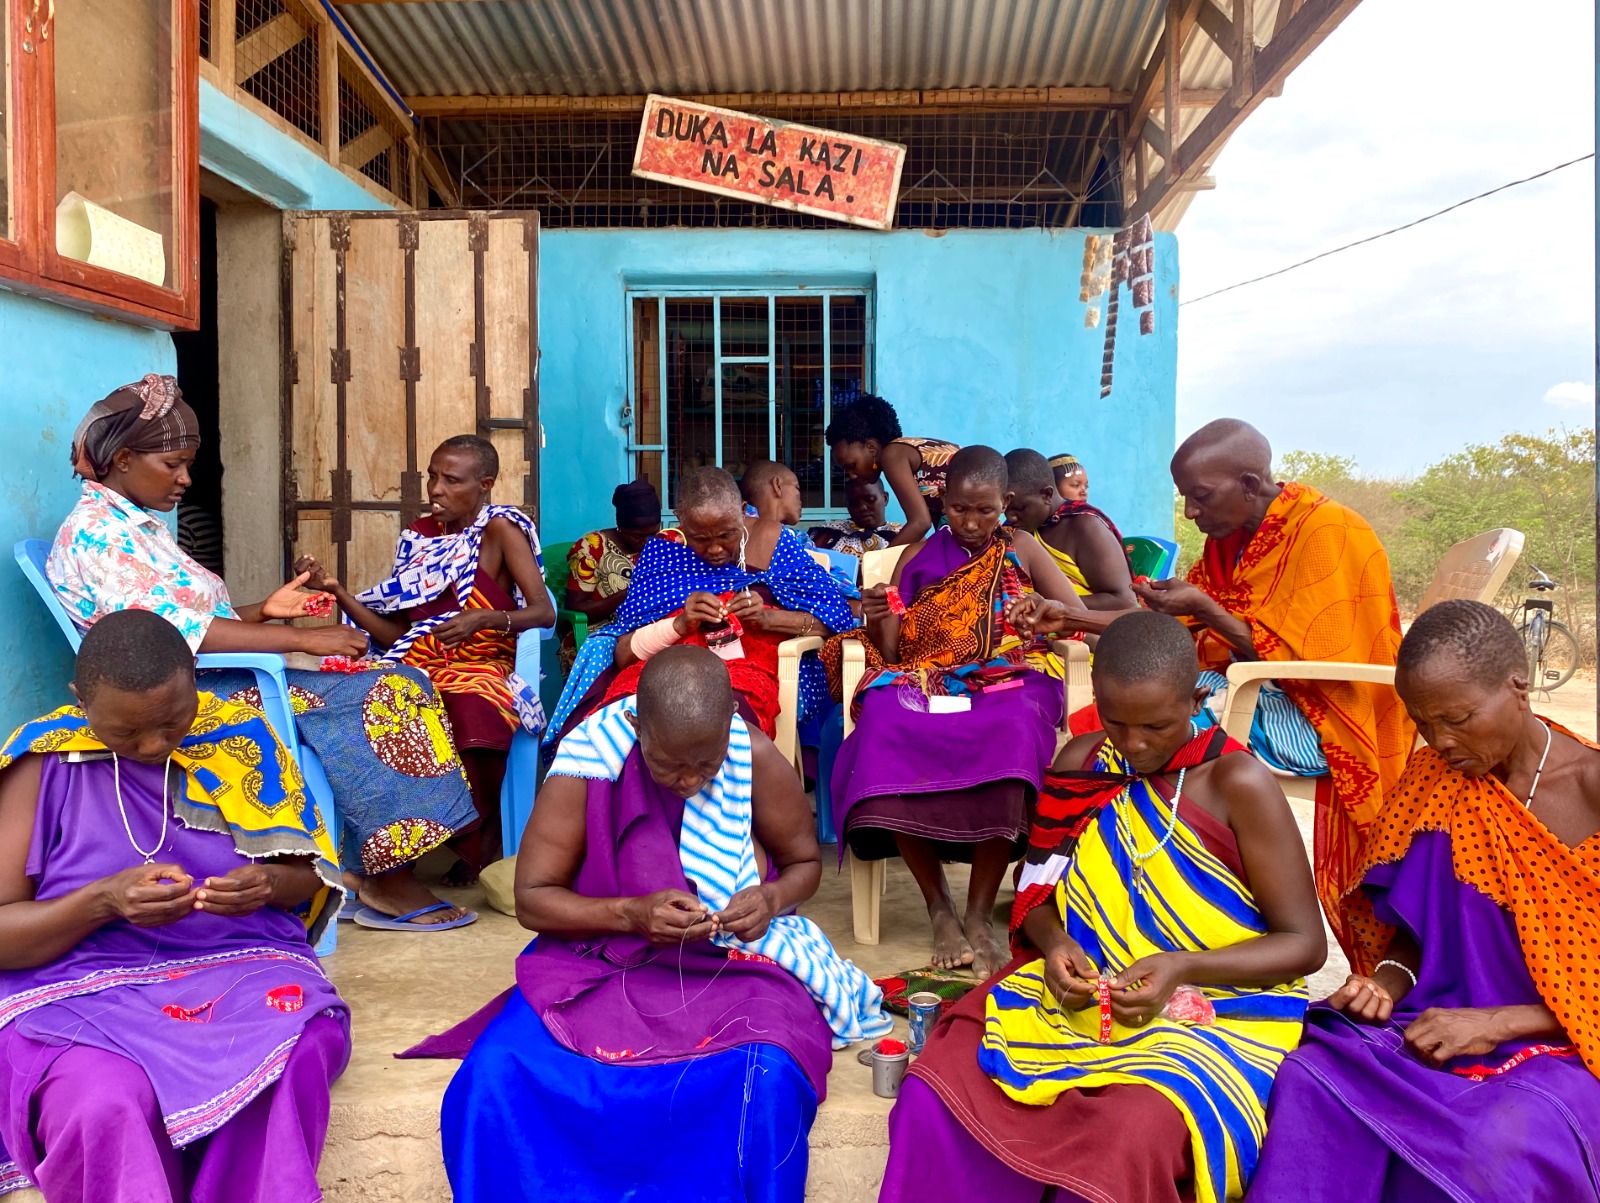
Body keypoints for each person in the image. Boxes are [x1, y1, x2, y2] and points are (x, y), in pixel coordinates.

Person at [879, 611, 1325, 1203]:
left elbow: (1304, 944)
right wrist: (1056, 944)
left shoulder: (1237, 782)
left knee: (1130, 1132)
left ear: (1196, 698)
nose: (1135, 744)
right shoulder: (1082, 766)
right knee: (935, 1092)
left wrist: (1181, 967)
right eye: (1117, 721)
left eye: (1157, 725)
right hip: (1084, 992)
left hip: (1214, 1007)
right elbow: (1036, 894)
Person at [422, 648, 890, 1201]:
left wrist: (770, 898)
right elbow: (532, 900)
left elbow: (804, 865)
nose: (691, 780)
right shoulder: (589, 763)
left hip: (727, 966)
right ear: (636, 726)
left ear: (729, 729)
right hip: (602, 960)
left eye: (707, 763)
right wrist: (630, 913)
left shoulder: (751, 753)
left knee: (767, 1075)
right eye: (671, 765)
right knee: (497, 1073)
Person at [46, 376, 477, 930]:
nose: (185, 479)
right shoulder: (100, 536)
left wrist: (264, 613)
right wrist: (301, 638)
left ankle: (372, 860)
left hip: (216, 669)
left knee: (387, 674)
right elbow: (177, 638)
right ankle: (387, 879)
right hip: (181, 693)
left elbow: (192, 620)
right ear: (124, 458)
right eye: (174, 464)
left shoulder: (133, 526)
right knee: (384, 692)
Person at [1018, 419, 1414, 955]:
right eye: (1186, 498)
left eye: (1200, 498)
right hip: (1256, 688)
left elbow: (1315, 663)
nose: (1190, 514)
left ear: (1250, 484)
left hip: (1323, 711)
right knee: (1110, 724)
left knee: (1111, 743)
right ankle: (1091, 885)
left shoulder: (1329, 532)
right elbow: (1170, 638)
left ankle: (1167, 895)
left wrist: (1204, 609)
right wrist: (1069, 617)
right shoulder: (1233, 541)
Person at [1249, 600, 1600, 1203]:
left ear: (1519, 687)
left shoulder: (1591, 791)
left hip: (1568, 1048)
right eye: (1422, 721)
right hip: (1434, 1022)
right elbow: (1416, 935)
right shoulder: (1433, 780)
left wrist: (1499, 1021)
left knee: (1494, 1146)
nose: (1441, 740)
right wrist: (1385, 983)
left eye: (1459, 717)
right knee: (1308, 1077)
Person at [0, 610, 350, 1203]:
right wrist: (101, 901)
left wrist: (265, 887)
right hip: (81, 987)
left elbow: (305, 878)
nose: (154, 745)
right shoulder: (44, 762)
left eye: (172, 720)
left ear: (194, 679)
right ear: (79, 702)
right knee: (100, 1099)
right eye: (125, 734)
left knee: (293, 1052)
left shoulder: (245, 742)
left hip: (242, 968)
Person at [820, 446, 1097, 978]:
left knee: (1014, 728)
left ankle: (977, 914)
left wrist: (1042, 616)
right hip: (930, 677)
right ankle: (938, 906)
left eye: (984, 511)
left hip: (1009, 677)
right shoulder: (917, 555)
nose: (970, 523)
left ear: (1006, 504)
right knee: (883, 718)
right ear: (942, 501)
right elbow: (897, 652)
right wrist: (879, 616)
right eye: (959, 510)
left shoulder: (1023, 550)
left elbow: (1072, 617)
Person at [295, 435, 554, 883]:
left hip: (481, 661)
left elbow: (543, 611)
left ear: (485, 484)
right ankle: (397, 850)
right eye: (432, 476)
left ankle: (481, 837)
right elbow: (396, 633)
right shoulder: (418, 537)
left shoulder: (500, 530)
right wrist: (337, 592)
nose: (435, 489)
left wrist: (483, 619)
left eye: (451, 480)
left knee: (471, 708)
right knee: (382, 708)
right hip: (417, 660)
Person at [546, 466, 856, 750]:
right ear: (681, 521)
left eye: (727, 534)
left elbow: (835, 619)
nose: (716, 549)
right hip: (663, 672)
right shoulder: (663, 556)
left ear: (741, 511)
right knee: (613, 736)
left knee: (706, 732)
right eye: (700, 538)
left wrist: (769, 618)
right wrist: (679, 623)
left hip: (744, 676)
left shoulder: (778, 545)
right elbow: (625, 649)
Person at [1003, 448, 1135, 610]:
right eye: (1005, 509)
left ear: (1046, 495)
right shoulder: (1015, 531)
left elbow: (1123, 601)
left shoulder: (1083, 525)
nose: (1010, 518)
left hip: (1090, 630)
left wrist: (1052, 604)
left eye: (1019, 509)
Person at [824, 393, 958, 546]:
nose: (852, 476)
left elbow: (921, 522)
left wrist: (878, 563)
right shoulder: (906, 448)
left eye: (852, 466)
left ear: (871, 448)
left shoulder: (892, 456)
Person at [561, 479, 662, 667]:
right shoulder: (591, 548)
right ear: (621, 527)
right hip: (601, 634)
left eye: (653, 533)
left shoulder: (663, 545)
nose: (648, 542)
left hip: (648, 630)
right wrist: (628, 594)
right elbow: (576, 608)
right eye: (639, 536)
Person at [809, 476, 902, 557]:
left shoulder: (903, 534)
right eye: (854, 503)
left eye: (869, 500)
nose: (862, 507)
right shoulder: (830, 534)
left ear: (885, 498)